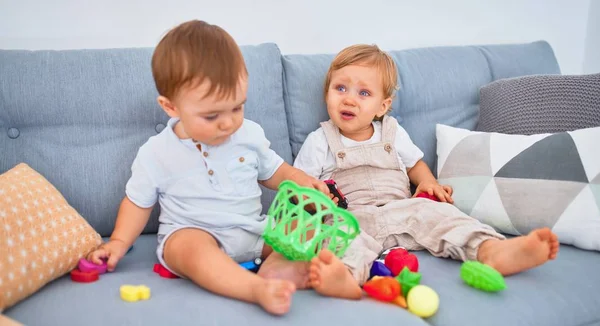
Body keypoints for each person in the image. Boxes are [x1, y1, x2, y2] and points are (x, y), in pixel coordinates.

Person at [87, 20, 330, 315]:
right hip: (193, 233)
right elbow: (137, 203)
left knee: (311, 228)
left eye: (237, 107)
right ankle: (253, 288)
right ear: (171, 107)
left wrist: (301, 180)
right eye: (212, 115)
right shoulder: (156, 152)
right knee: (190, 248)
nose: (228, 123)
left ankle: (277, 267)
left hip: (254, 231)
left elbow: (274, 173)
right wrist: (118, 243)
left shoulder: (250, 135)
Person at [293, 44, 560, 299]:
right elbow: (299, 184)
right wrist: (314, 198)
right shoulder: (320, 140)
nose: (349, 99)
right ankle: (346, 277)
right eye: (340, 88)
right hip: (351, 218)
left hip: (403, 210)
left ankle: (490, 250)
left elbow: (415, 165)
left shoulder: (393, 132)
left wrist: (428, 182)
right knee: (337, 238)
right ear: (327, 93)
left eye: (363, 93)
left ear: (382, 106)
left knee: (440, 213)